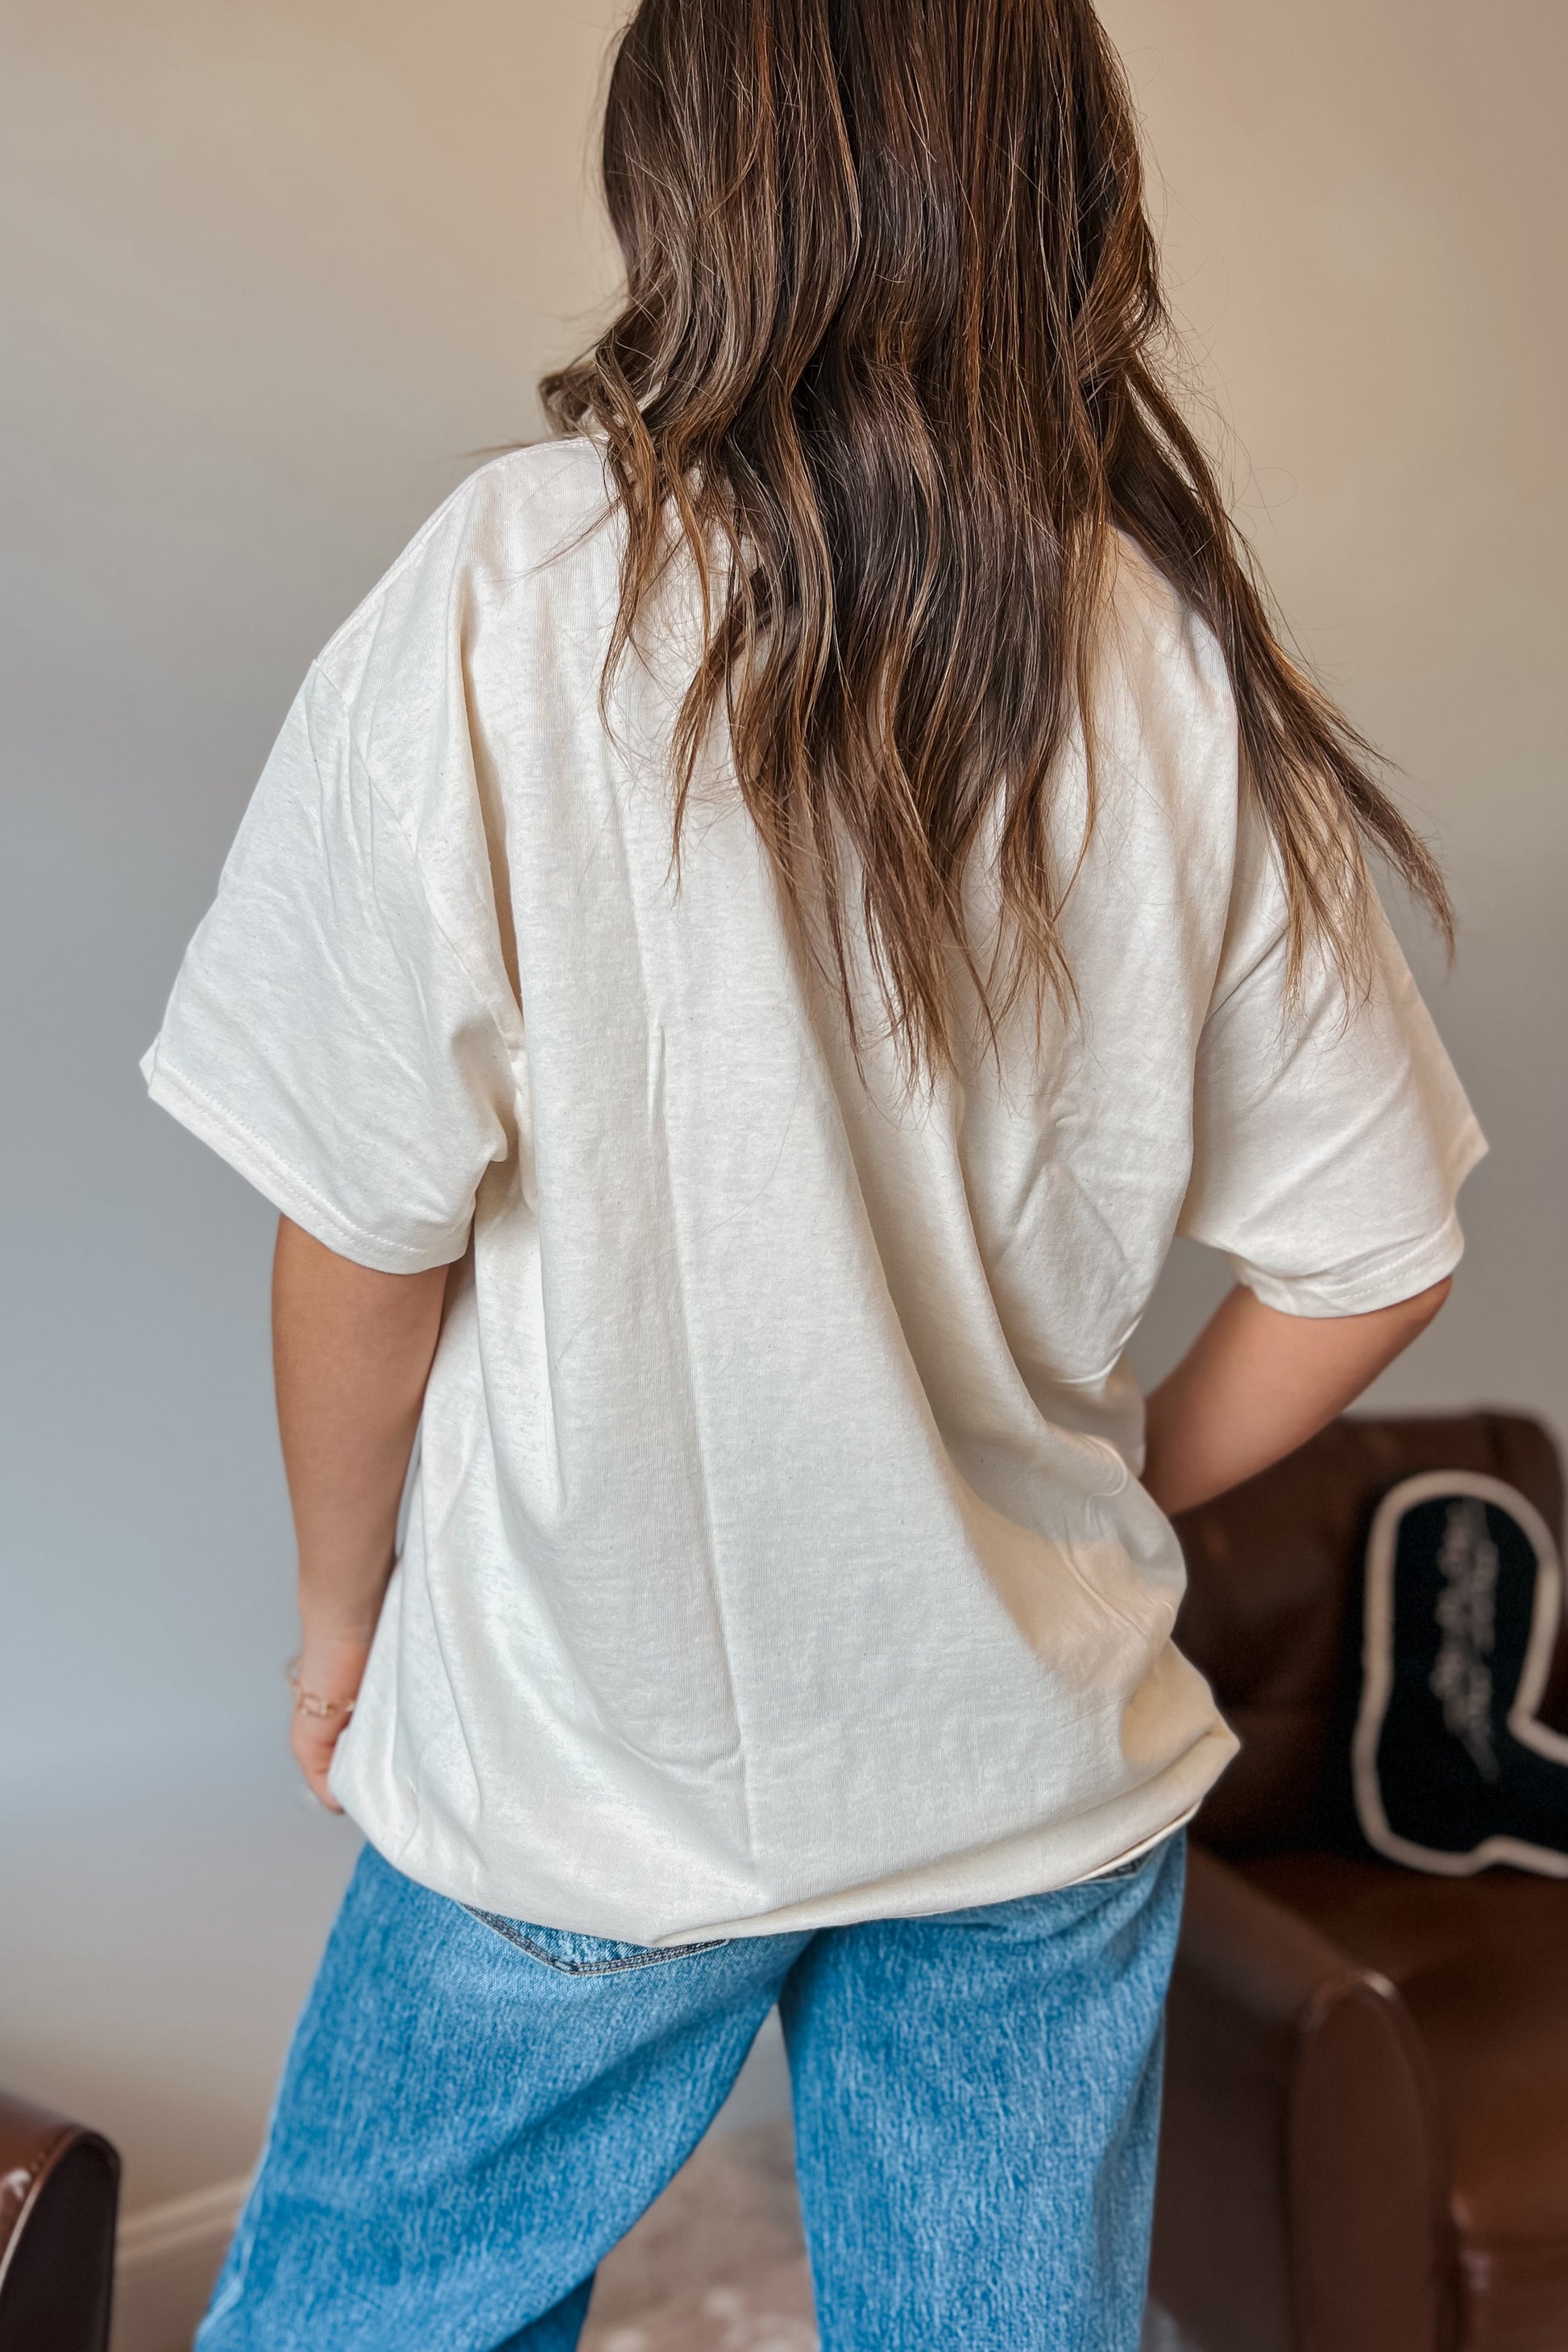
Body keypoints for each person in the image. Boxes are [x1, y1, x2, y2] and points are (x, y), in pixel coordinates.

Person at [143, 1, 1485, 2345]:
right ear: (1060, 196)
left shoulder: (508, 592)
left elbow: (360, 1223)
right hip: (1024, 1775)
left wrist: (342, 1620)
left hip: (583, 1755)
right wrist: (1100, 1493)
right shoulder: (1166, 656)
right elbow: (1369, 1254)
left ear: (690, 189)